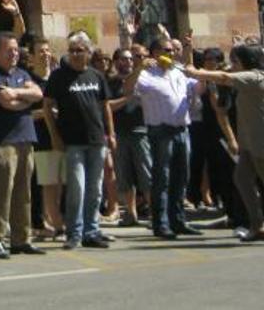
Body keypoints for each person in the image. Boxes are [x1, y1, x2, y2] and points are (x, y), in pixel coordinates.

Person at [123, 37, 204, 239]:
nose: (171, 54)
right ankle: (161, 223)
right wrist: (139, 68)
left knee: (181, 176)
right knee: (162, 178)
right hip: (160, 131)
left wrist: (192, 61)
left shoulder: (177, 71)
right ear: (155, 53)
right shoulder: (147, 74)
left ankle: (178, 220)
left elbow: (197, 87)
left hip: (181, 129)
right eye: (166, 50)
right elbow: (127, 89)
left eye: (172, 50)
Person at [183, 44, 264, 241]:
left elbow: (225, 78)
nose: (232, 65)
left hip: (260, 141)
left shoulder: (255, 76)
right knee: (242, 179)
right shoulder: (243, 79)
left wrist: (196, 72)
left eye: (235, 61)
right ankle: (257, 225)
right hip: (248, 142)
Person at [0, 31, 45, 259]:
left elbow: (38, 93)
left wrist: (18, 94)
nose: (14, 54)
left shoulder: (22, 73)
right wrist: (24, 101)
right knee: (1, 193)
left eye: (16, 50)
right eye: (9, 50)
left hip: (25, 139)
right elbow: (5, 102)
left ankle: (21, 239)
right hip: (2, 142)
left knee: (23, 193)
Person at [42, 32, 115, 250]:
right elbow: (47, 106)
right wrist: (55, 136)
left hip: (96, 141)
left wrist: (111, 134)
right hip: (72, 142)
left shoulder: (96, 76)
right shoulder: (58, 77)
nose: (74, 54)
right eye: (71, 50)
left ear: (88, 53)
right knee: (77, 188)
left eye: (79, 50)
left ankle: (91, 231)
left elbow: (105, 106)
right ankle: (74, 233)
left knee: (95, 190)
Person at [108, 46, 152, 227]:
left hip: (140, 131)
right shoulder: (110, 83)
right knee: (124, 175)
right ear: (115, 62)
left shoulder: (143, 79)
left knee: (146, 173)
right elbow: (107, 106)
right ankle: (130, 213)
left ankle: (154, 212)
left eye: (129, 59)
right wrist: (127, 99)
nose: (127, 62)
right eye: (123, 59)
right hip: (120, 132)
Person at [27, 37, 65, 238]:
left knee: (60, 182)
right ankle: (47, 221)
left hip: (62, 136)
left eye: (48, 50)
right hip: (41, 138)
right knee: (46, 182)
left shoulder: (58, 78)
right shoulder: (28, 81)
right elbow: (24, 114)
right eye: (41, 51)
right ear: (32, 57)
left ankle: (55, 218)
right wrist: (46, 112)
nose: (46, 54)